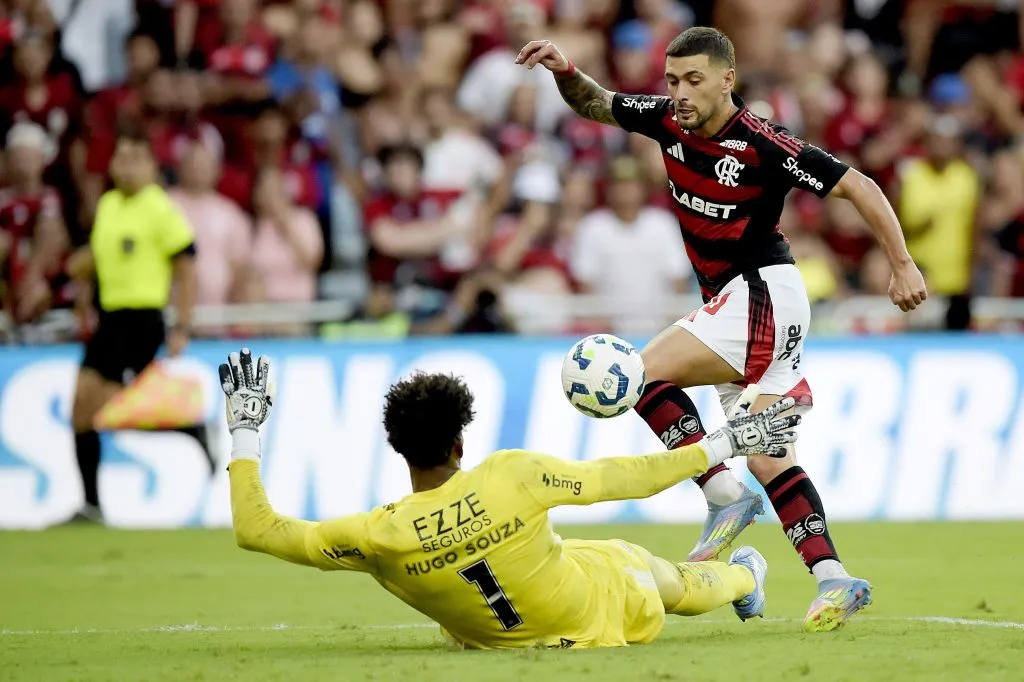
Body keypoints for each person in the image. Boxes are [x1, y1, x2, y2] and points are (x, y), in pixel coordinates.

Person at [515, 26, 928, 631]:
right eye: (672, 80)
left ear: (727, 80)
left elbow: (858, 186)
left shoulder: (764, 143)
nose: (680, 93)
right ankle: (833, 578)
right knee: (769, 459)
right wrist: (565, 72)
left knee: (635, 376)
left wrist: (901, 262)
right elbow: (598, 103)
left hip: (761, 294)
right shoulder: (666, 120)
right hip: (746, 306)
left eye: (694, 80)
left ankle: (721, 494)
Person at [221, 348, 800, 650]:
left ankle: (740, 578)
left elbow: (257, 530)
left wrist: (245, 430)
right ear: (460, 442)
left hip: (498, 632)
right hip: (600, 602)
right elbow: (623, 478)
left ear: (398, 448)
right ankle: (745, 577)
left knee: (577, 556)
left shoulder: (377, 538)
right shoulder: (511, 476)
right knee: (667, 579)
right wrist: (723, 442)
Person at [61, 127, 210, 524]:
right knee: (82, 409)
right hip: (109, 320)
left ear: (151, 166)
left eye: (135, 159)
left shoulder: (159, 208)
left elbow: (187, 267)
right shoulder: (108, 205)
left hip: (142, 320)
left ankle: (190, 428)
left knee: (106, 411)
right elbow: (99, 259)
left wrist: (182, 325)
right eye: (121, 158)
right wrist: (81, 297)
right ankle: (91, 504)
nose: (126, 167)